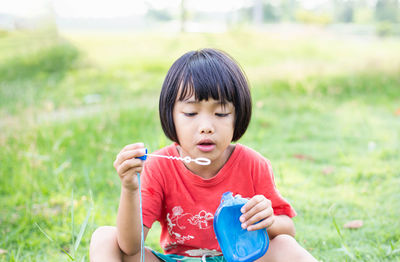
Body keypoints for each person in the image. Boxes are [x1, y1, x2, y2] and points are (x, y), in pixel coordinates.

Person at [90, 48, 317, 262]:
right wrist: (130, 189)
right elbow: (130, 247)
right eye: (190, 113)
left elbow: (288, 229)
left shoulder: (253, 164)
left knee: (285, 245)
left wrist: (268, 220)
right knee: (105, 237)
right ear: (171, 116)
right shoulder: (158, 168)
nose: (206, 126)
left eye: (221, 113)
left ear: (237, 116)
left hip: (239, 259)